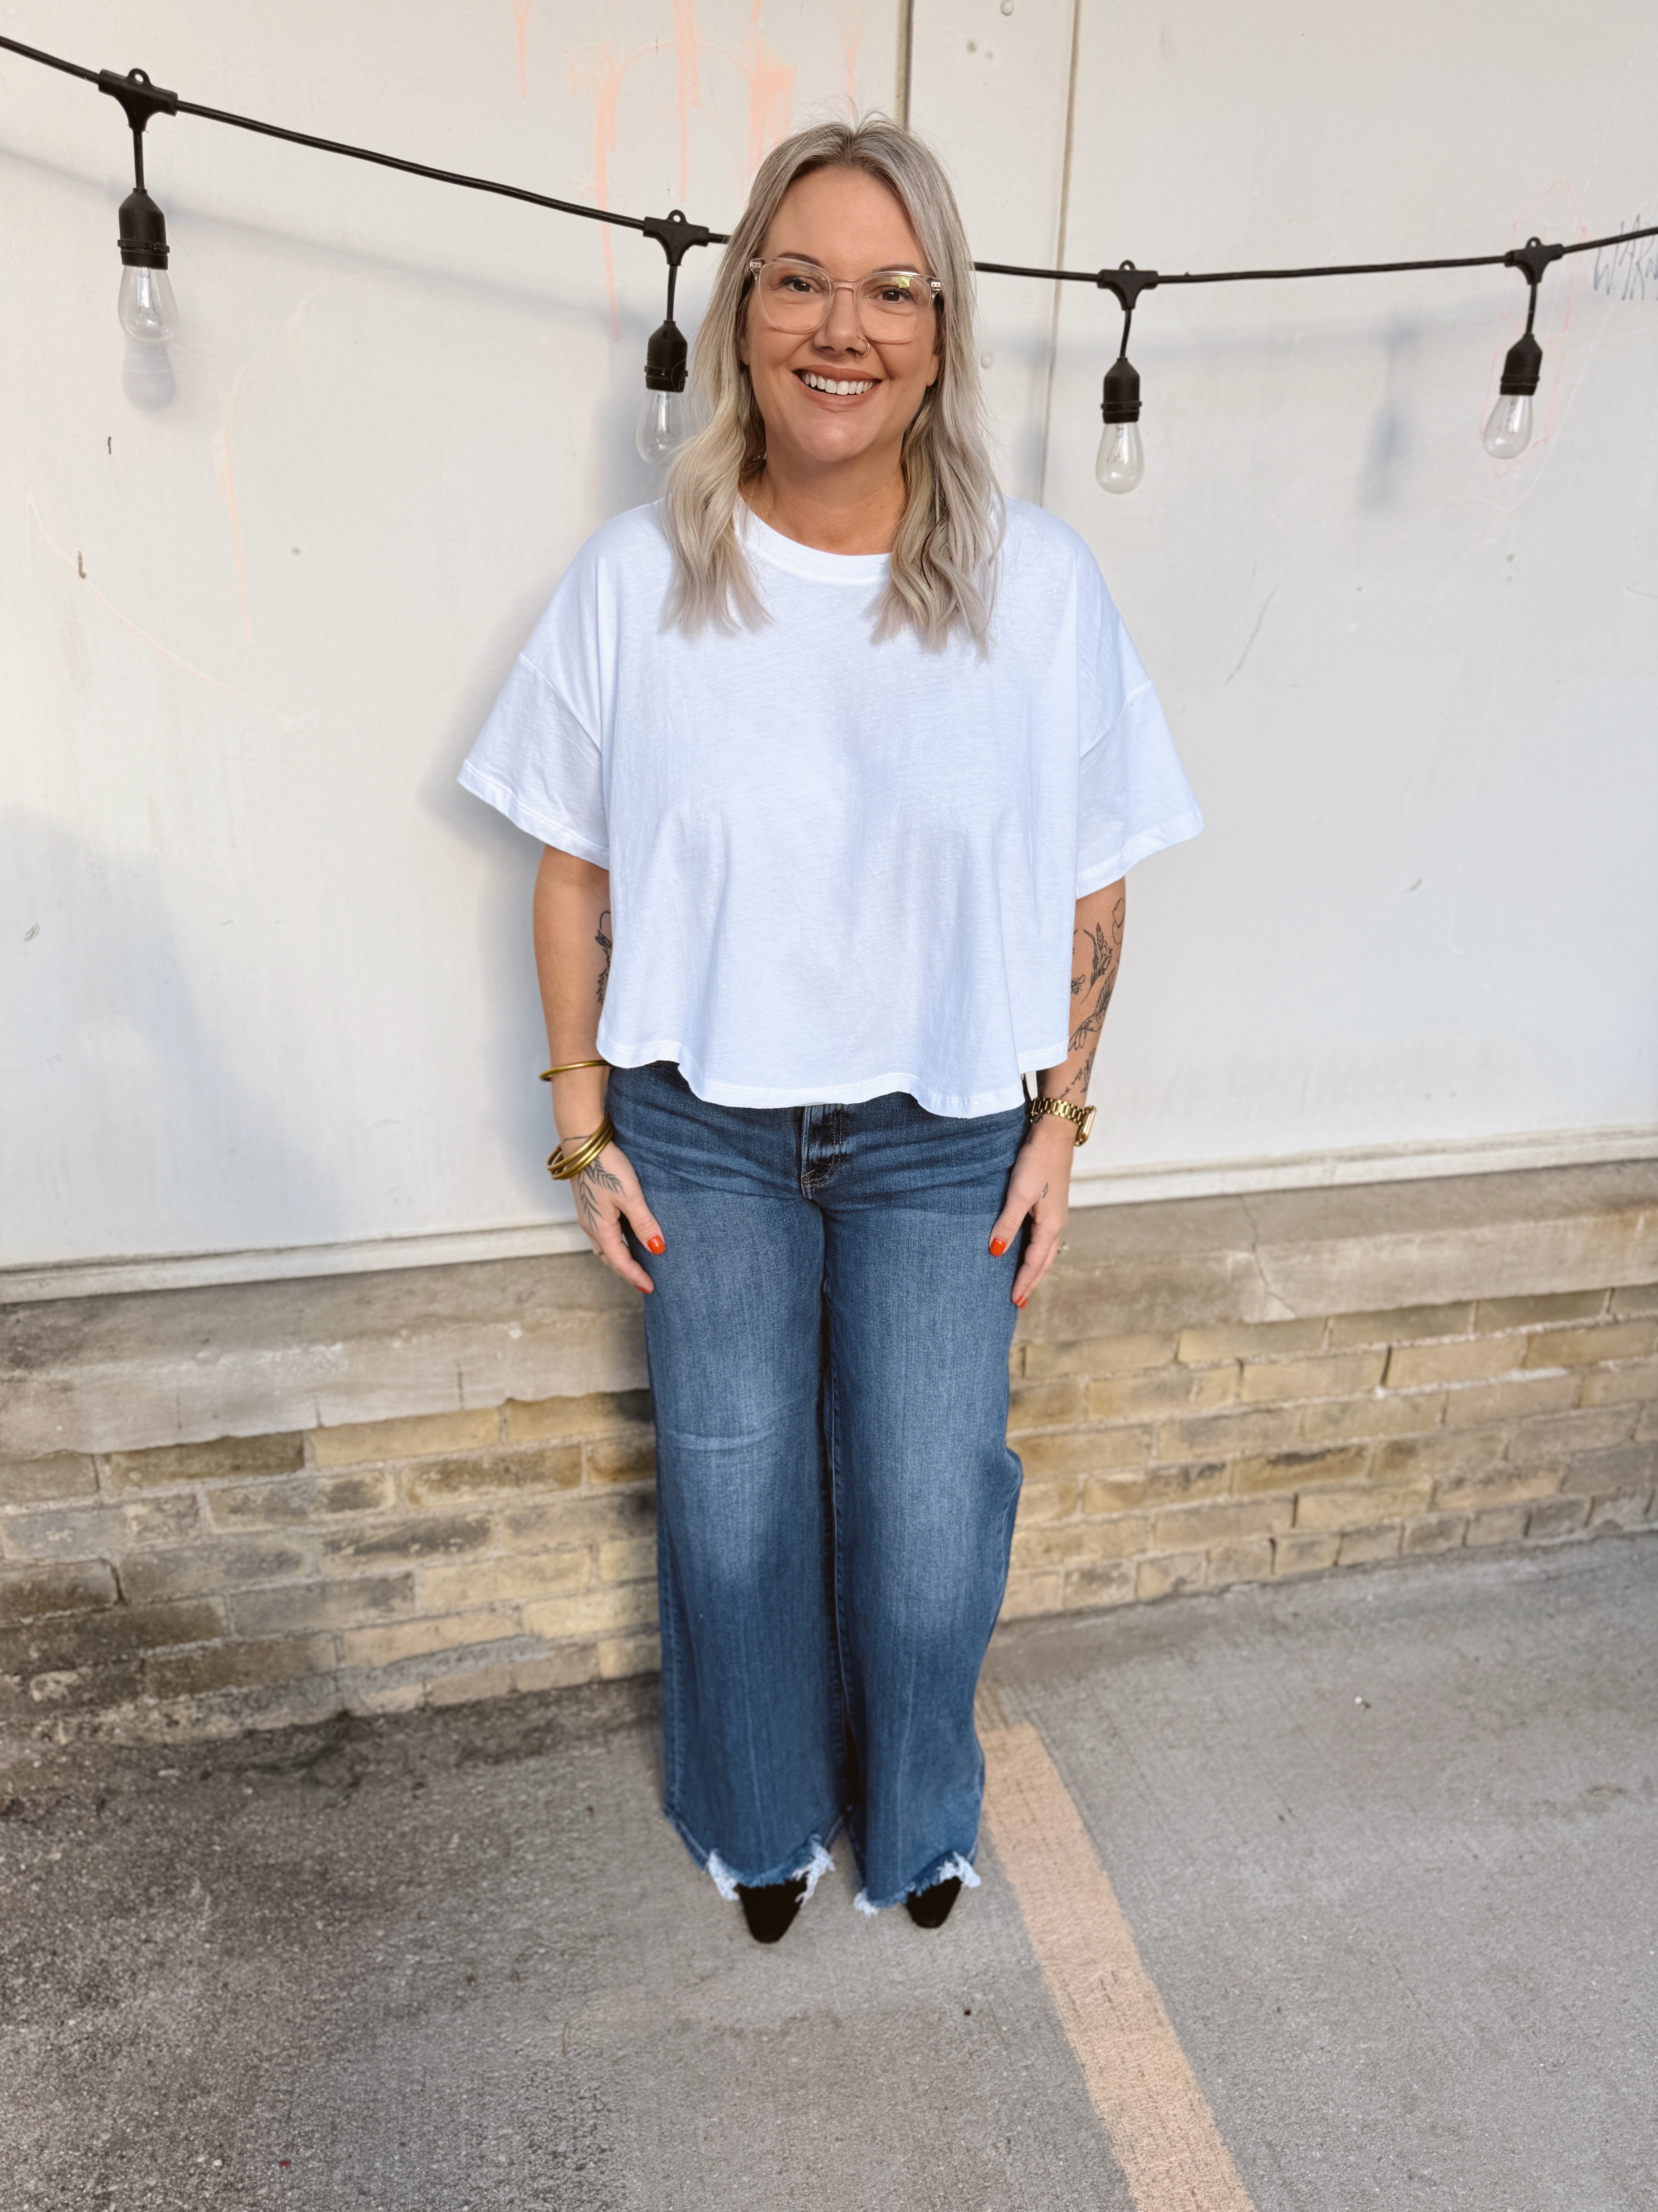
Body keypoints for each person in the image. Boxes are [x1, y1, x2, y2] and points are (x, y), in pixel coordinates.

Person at [459, 117, 1201, 1944]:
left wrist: (1062, 1124)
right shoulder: (641, 584)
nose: (839, 326)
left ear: (943, 331)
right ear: (742, 317)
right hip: (701, 1131)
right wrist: (582, 1123)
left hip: (947, 1132)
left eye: (889, 288)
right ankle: (760, 1813)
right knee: (730, 1519)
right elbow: (571, 870)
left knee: (931, 1527)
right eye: (797, 280)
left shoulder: (1041, 595)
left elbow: (1094, 887)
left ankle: (923, 1818)